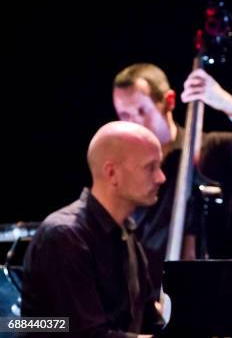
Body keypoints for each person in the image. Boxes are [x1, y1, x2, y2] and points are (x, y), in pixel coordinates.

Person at [21, 121, 166, 337]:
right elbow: (84, 334)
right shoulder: (64, 236)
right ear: (112, 173)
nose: (161, 177)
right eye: (150, 167)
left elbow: (149, 323)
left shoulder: (126, 235)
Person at [112, 62, 232, 294]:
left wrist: (227, 104)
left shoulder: (206, 149)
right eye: (124, 115)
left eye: (142, 111)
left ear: (169, 101)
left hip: (205, 296)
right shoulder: (122, 166)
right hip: (140, 305)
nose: (133, 123)